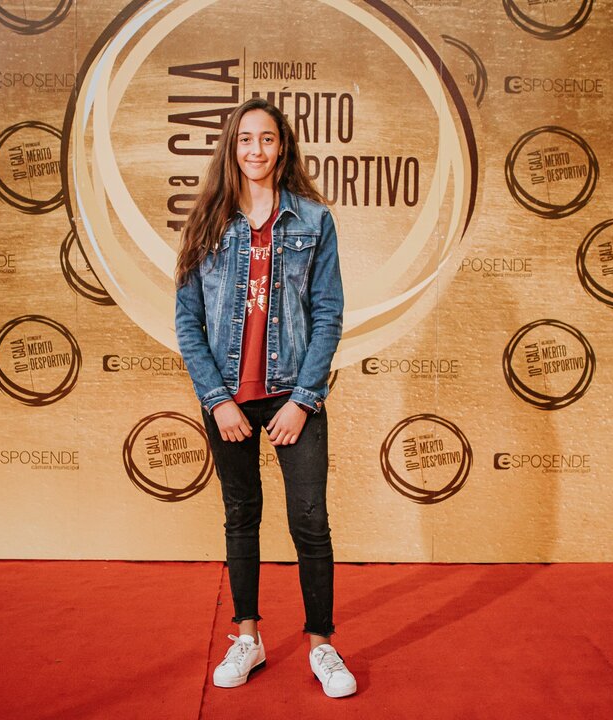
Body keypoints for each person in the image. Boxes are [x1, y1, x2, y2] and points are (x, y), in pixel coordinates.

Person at [174, 97, 355, 699]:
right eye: (246, 138)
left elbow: (328, 315)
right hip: (228, 398)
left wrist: (302, 400)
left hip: (293, 396)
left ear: (283, 147)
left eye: (268, 138)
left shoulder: (313, 220)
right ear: (233, 147)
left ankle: (322, 645)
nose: (256, 149)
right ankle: (247, 637)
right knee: (241, 516)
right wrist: (217, 399)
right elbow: (188, 320)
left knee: (311, 520)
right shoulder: (206, 221)